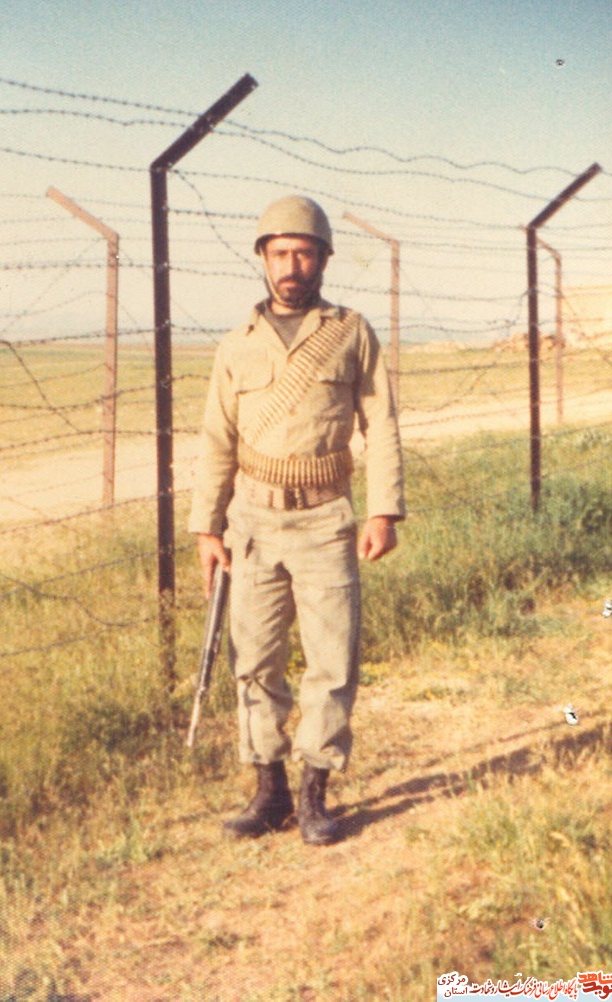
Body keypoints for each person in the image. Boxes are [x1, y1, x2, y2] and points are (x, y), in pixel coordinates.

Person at [188, 195, 406, 845]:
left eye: (304, 253)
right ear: (262, 258)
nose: (292, 265)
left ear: (324, 259)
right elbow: (216, 441)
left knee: (332, 662)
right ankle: (269, 792)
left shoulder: (351, 333)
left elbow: (381, 425)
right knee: (254, 661)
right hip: (251, 523)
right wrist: (207, 529)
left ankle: (315, 793)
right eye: (280, 253)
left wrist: (383, 510)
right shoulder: (235, 346)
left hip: (325, 521)